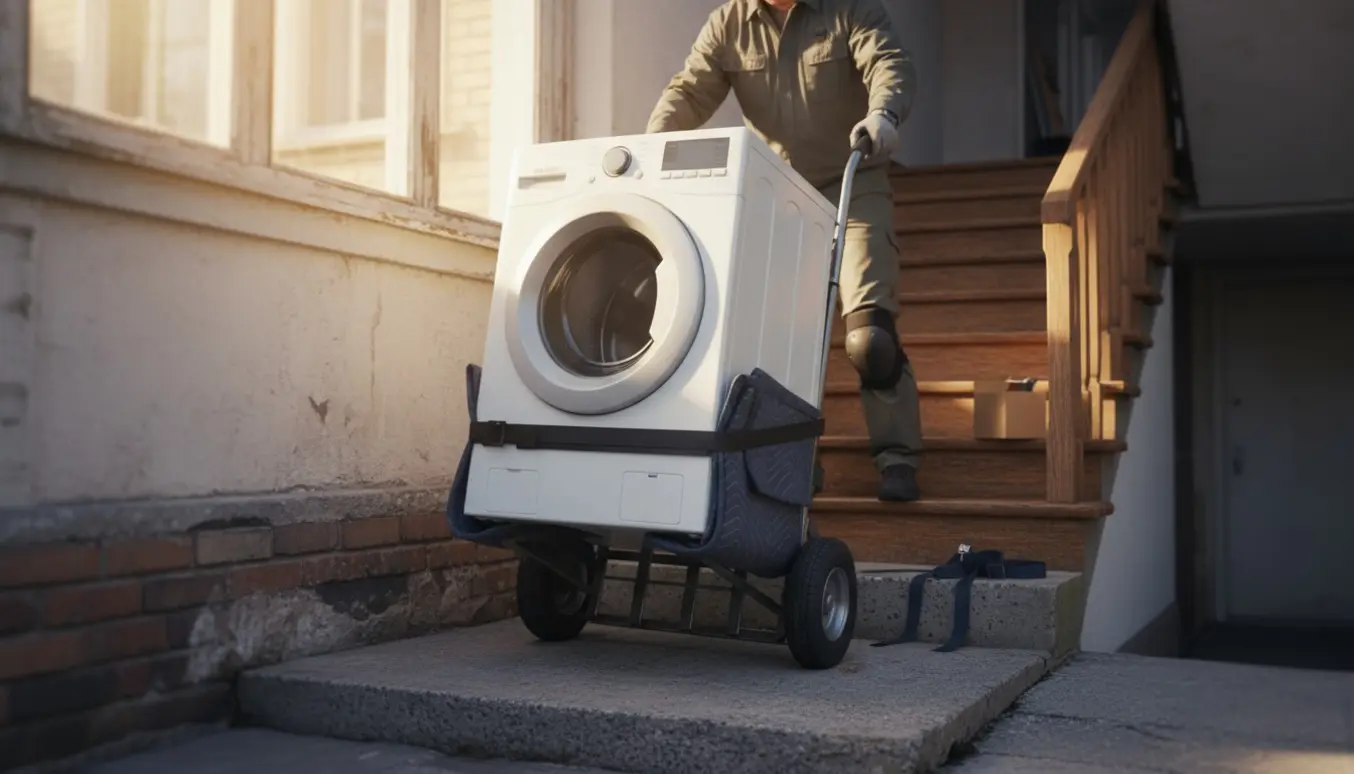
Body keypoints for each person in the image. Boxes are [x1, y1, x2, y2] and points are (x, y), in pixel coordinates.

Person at [646, 0, 924, 502]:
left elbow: (888, 61)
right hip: (781, 194)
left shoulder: (850, 9)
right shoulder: (728, 24)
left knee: (870, 338)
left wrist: (884, 113)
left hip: (853, 182)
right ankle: (791, 459)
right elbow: (689, 90)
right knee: (777, 341)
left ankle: (897, 454)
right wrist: (651, 150)